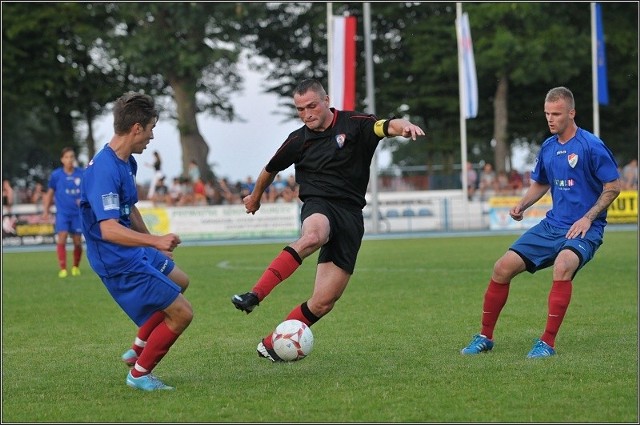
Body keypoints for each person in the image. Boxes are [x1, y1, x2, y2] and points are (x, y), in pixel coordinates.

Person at [231, 78, 426, 362]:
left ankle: (274, 343)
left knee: (323, 303)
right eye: (300, 109)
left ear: (326, 101)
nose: (307, 113)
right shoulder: (298, 140)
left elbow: (387, 125)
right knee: (313, 235)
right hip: (318, 204)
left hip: (350, 216)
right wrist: (255, 197)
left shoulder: (355, 124)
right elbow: (269, 169)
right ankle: (255, 295)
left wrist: (404, 127)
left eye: (311, 106)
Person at [460, 86, 621, 359]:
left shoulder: (591, 145)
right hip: (552, 226)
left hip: (585, 228)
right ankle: (485, 336)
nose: (550, 119)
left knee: (563, 265)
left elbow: (613, 186)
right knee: (501, 268)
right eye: (547, 113)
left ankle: (547, 342)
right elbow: (542, 183)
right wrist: (522, 204)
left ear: (571, 113)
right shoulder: (548, 147)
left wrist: (588, 217)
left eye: (556, 114)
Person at [80, 91, 193, 390]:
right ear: (136, 129)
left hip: (133, 249)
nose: (152, 137)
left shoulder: (126, 162)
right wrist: (155, 242)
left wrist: (148, 242)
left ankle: (139, 344)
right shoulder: (104, 169)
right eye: (151, 129)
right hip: (115, 258)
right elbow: (108, 229)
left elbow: (128, 210)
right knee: (182, 313)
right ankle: (140, 374)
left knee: (180, 280)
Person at [42, 147, 84, 278]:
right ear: (62, 159)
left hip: (77, 214)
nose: (69, 159)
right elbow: (50, 193)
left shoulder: (81, 173)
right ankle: (63, 268)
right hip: (63, 213)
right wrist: (46, 210)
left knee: (77, 241)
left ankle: (75, 267)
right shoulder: (56, 175)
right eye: (66, 157)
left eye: (71, 157)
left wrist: (84, 201)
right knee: (62, 237)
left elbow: (89, 191)